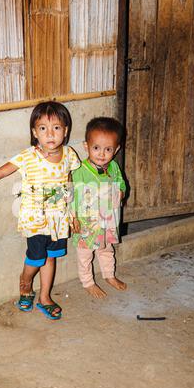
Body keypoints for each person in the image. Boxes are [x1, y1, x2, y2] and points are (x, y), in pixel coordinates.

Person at [0, 101, 80, 320]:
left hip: (59, 221)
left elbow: (69, 183)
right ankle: (25, 283)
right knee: (36, 259)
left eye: (56, 128)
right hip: (36, 221)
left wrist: (74, 214)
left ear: (65, 130)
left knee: (51, 259)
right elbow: (1, 173)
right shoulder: (28, 156)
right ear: (34, 132)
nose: (50, 134)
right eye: (43, 128)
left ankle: (45, 298)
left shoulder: (69, 155)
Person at [71, 117, 127, 299]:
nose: (102, 154)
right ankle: (88, 282)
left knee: (106, 249)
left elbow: (121, 183)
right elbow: (71, 195)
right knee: (85, 254)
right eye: (96, 148)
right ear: (86, 146)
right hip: (87, 221)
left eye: (108, 149)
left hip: (108, 220)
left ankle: (109, 275)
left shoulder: (114, 167)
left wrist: (121, 191)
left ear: (116, 149)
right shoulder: (79, 170)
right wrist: (73, 218)